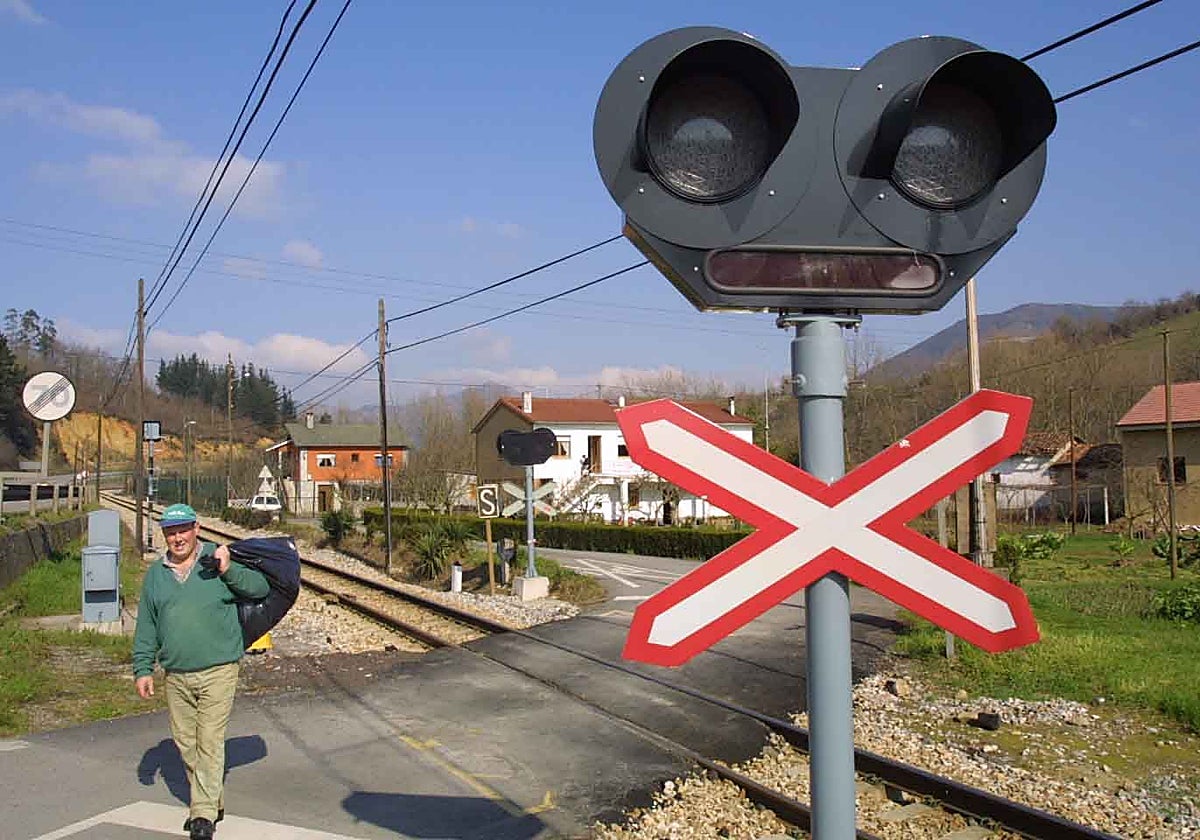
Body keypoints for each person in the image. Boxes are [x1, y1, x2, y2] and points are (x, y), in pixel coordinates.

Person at [132, 503, 269, 840]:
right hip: (176, 673)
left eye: (183, 530)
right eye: (171, 531)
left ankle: (203, 814)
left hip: (219, 668)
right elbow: (147, 625)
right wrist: (143, 668)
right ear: (165, 534)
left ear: (196, 529)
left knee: (208, 739)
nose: (177, 537)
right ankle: (212, 799)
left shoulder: (216, 561)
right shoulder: (156, 575)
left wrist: (228, 570)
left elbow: (259, 588)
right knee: (185, 743)